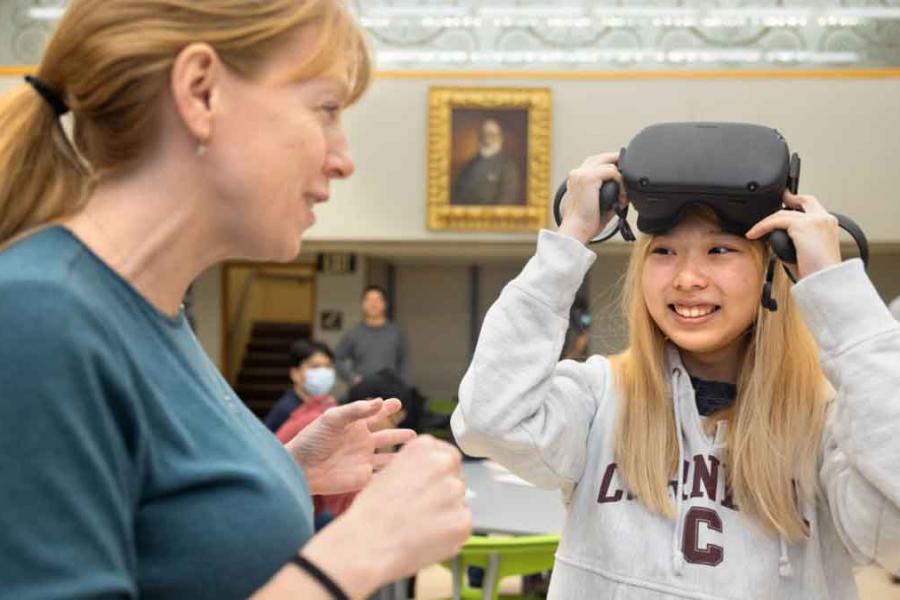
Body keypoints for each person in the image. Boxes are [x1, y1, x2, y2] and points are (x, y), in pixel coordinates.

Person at [0, 1, 471, 598]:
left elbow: (163, 538)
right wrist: (359, 552)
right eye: (325, 109)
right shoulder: (38, 320)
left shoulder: (157, 317)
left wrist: (276, 475)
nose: (344, 159)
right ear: (201, 94)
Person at [452, 153, 900, 598]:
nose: (687, 277)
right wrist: (567, 242)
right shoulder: (598, 398)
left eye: (719, 250)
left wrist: (837, 289)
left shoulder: (829, 424)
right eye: (663, 251)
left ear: (771, 269)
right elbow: (488, 422)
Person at [335, 285, 408, 385]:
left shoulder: (396, 333)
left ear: (385, 304)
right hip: (362, 389)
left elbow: (404, 362)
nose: (373, 304)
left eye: (378, 299)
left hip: (390, 388)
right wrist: (352, 378)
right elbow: (337, 358)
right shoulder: (353, 333)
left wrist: (402, 385)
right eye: (369, 300)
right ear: (362, 304)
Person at [264, 339, 337, 433]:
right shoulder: (288, 411)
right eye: (315, 366)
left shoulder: (324, 404)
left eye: (328, 366)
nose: (323, 372)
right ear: (295, 374)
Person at [451, 118, 521, 206]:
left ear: (500, 138)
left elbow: (506, 201)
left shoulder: (507, 166)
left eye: (492, 135)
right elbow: (456, 195)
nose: (487, 139)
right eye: (483, 134)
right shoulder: (469, 164)